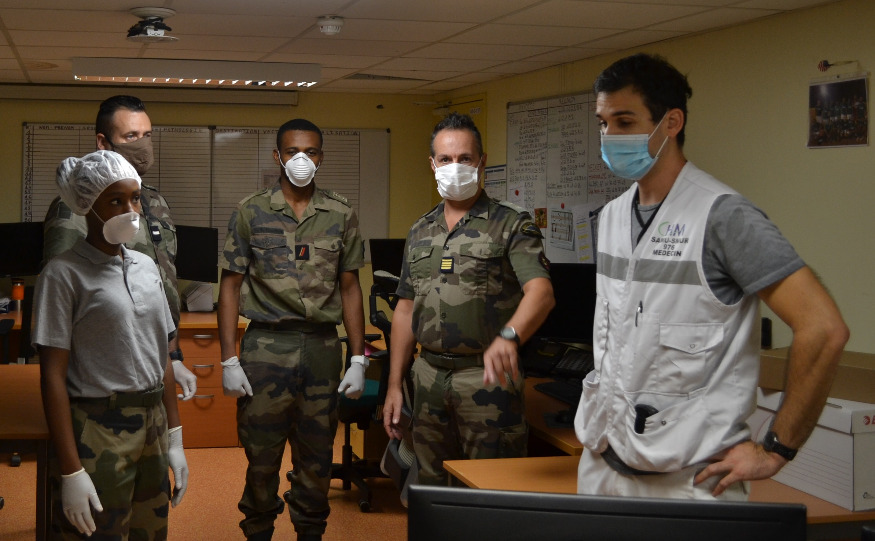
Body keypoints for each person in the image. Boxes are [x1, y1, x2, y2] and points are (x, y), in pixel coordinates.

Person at [574, 53, 849, 500]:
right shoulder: (610, 217)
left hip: (689, 482)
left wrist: (776, 449)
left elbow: (823, 328)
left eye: (624, 122)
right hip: (603, 464)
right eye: (603, 124)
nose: (609, 137)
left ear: (672, 122)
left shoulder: (722, 216)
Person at [382, 112, 555, 486]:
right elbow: (406, 308)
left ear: (481, 162)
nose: (455, 167)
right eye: (445, 159)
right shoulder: (420, 229)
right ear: (433, 164)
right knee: (430, 489)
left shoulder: (511, 223)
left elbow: (541, 292)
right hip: (427, 377)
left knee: (493, 490)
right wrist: (394, 384)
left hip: (486, 378)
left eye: (465, 158)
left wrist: (509, 337)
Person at [217, 118, 367, 541]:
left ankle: (310, 533)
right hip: (266, 347)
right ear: (277, 156)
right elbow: (229, 286)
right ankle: (258, 531)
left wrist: (359, 358)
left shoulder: (340, 212)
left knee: (316, 459)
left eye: (311, 152)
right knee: (261, 460)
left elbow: (350, 287)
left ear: (321, 157)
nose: (302, 159)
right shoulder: (250, 211)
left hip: (321, 349)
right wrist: (228, 359)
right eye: (293, 151)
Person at [33, 150, 188, 538]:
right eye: (115, 201)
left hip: (152, 423)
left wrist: (175, 437)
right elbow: (52, 377)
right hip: (98, 428)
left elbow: (162, 356)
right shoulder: (63, 274)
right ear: (87, 205)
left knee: (150, 531)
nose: (130, 211)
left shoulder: (146, 266)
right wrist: (71, 469)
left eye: (134, 199)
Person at [42, 95, 197, 401]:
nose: (143, 145)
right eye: (131, 136)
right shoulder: (78, 206)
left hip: (153, 362)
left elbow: (162, 286)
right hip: (102, 377)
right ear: (103, 142)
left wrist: (173, 356)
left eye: (147, 135)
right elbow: (61, 298)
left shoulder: (154, 201)